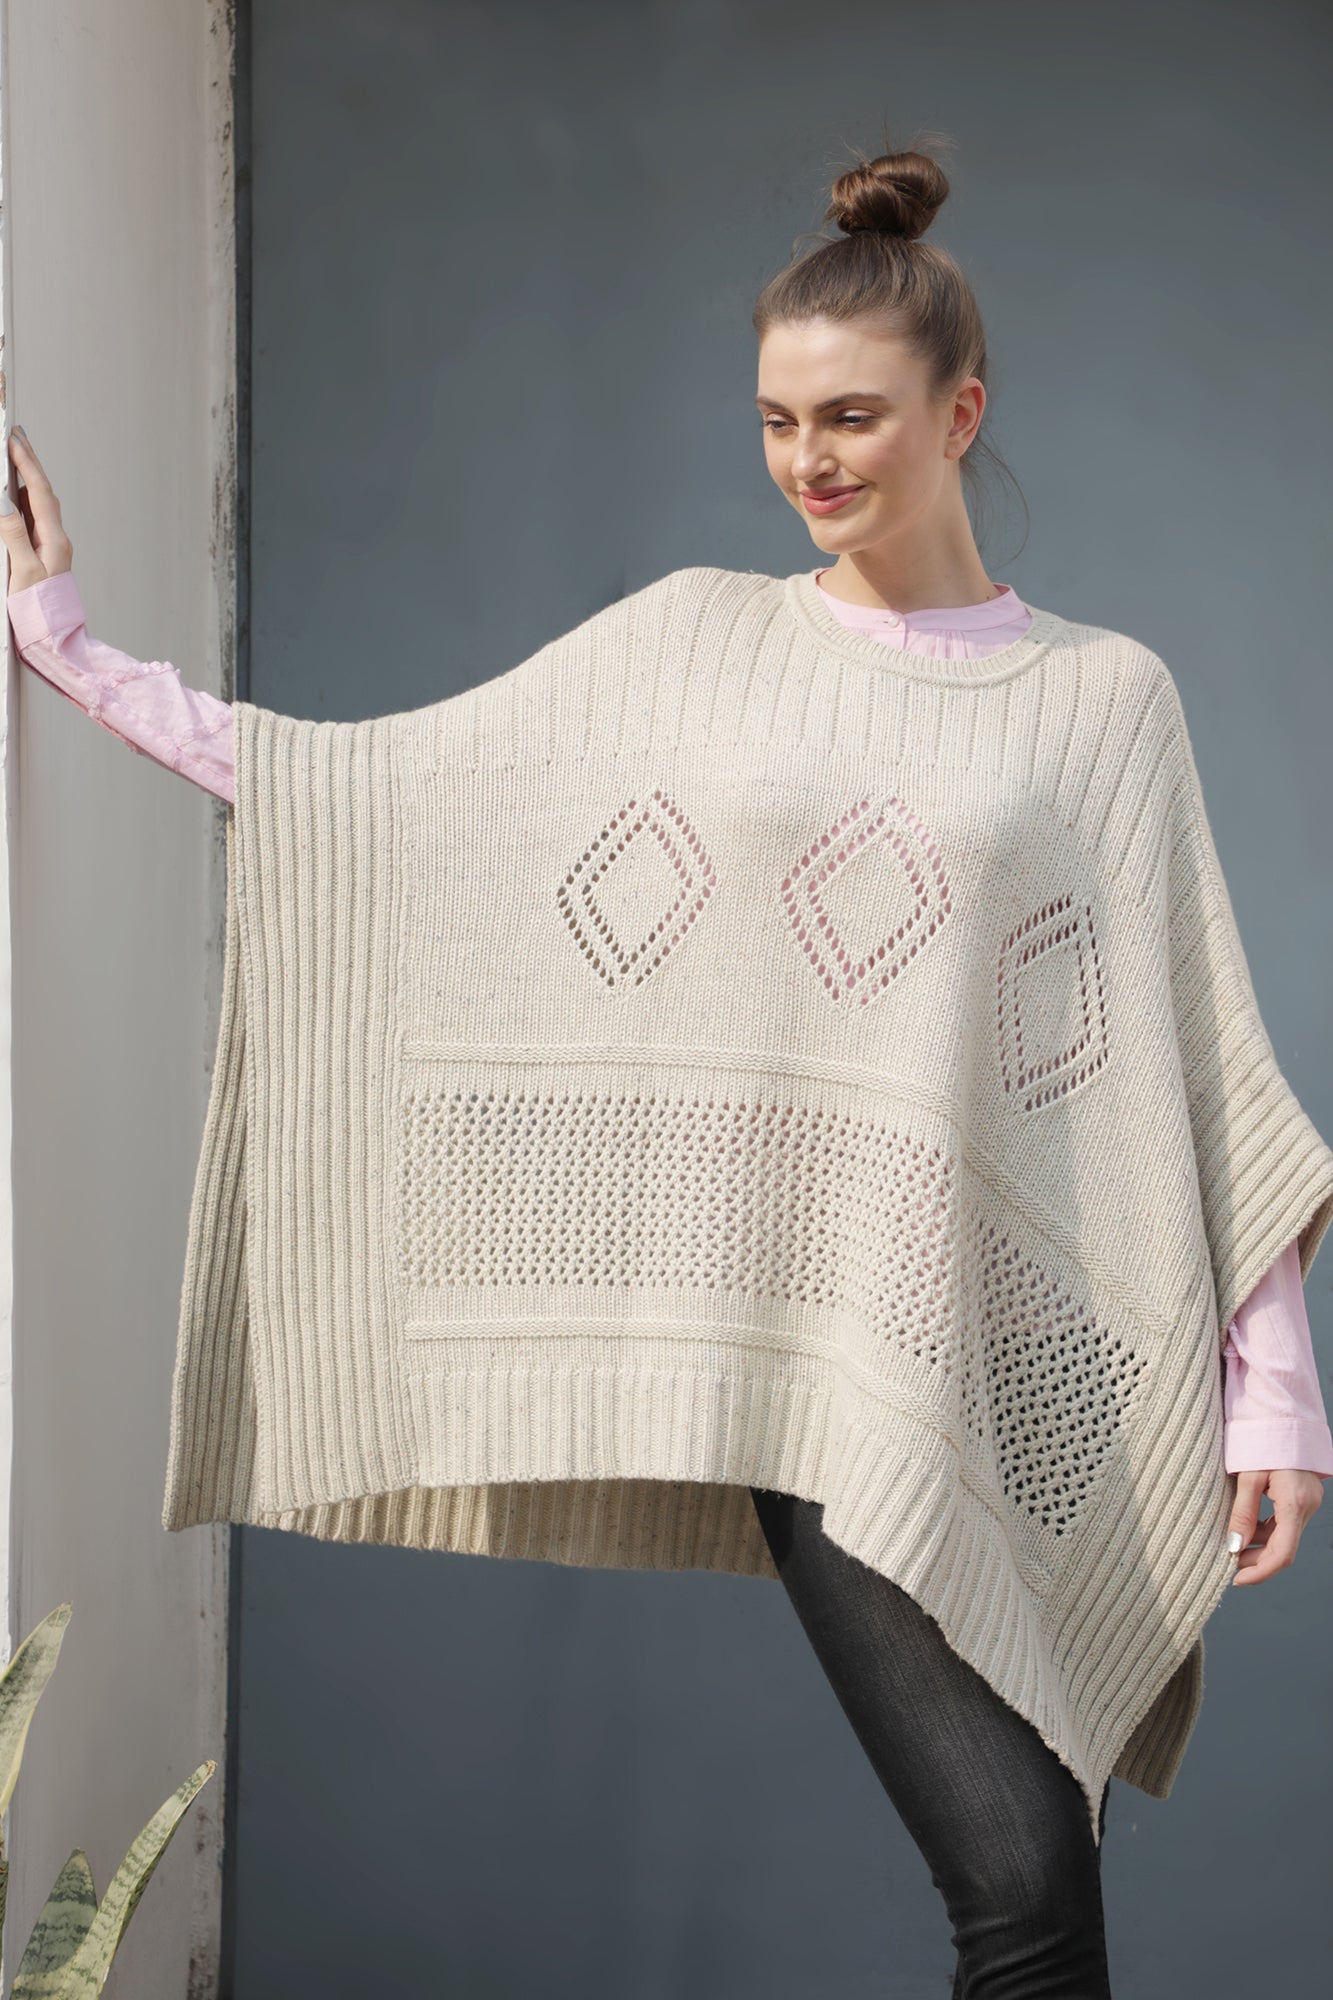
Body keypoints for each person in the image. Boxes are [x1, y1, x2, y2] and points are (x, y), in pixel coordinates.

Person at [4, 144, 1330, 1996]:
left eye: (851, 416)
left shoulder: (1105, 703)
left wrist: (1272, 1397)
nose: (809, 462)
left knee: (1043, 1891)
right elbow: (391, 801)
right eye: (778, 421)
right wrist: (75, 655)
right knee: (1023, 1891)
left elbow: (1187, 1064)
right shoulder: (699, 640)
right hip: (822, 1355)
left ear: (960, 412)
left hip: (1022, 1355)